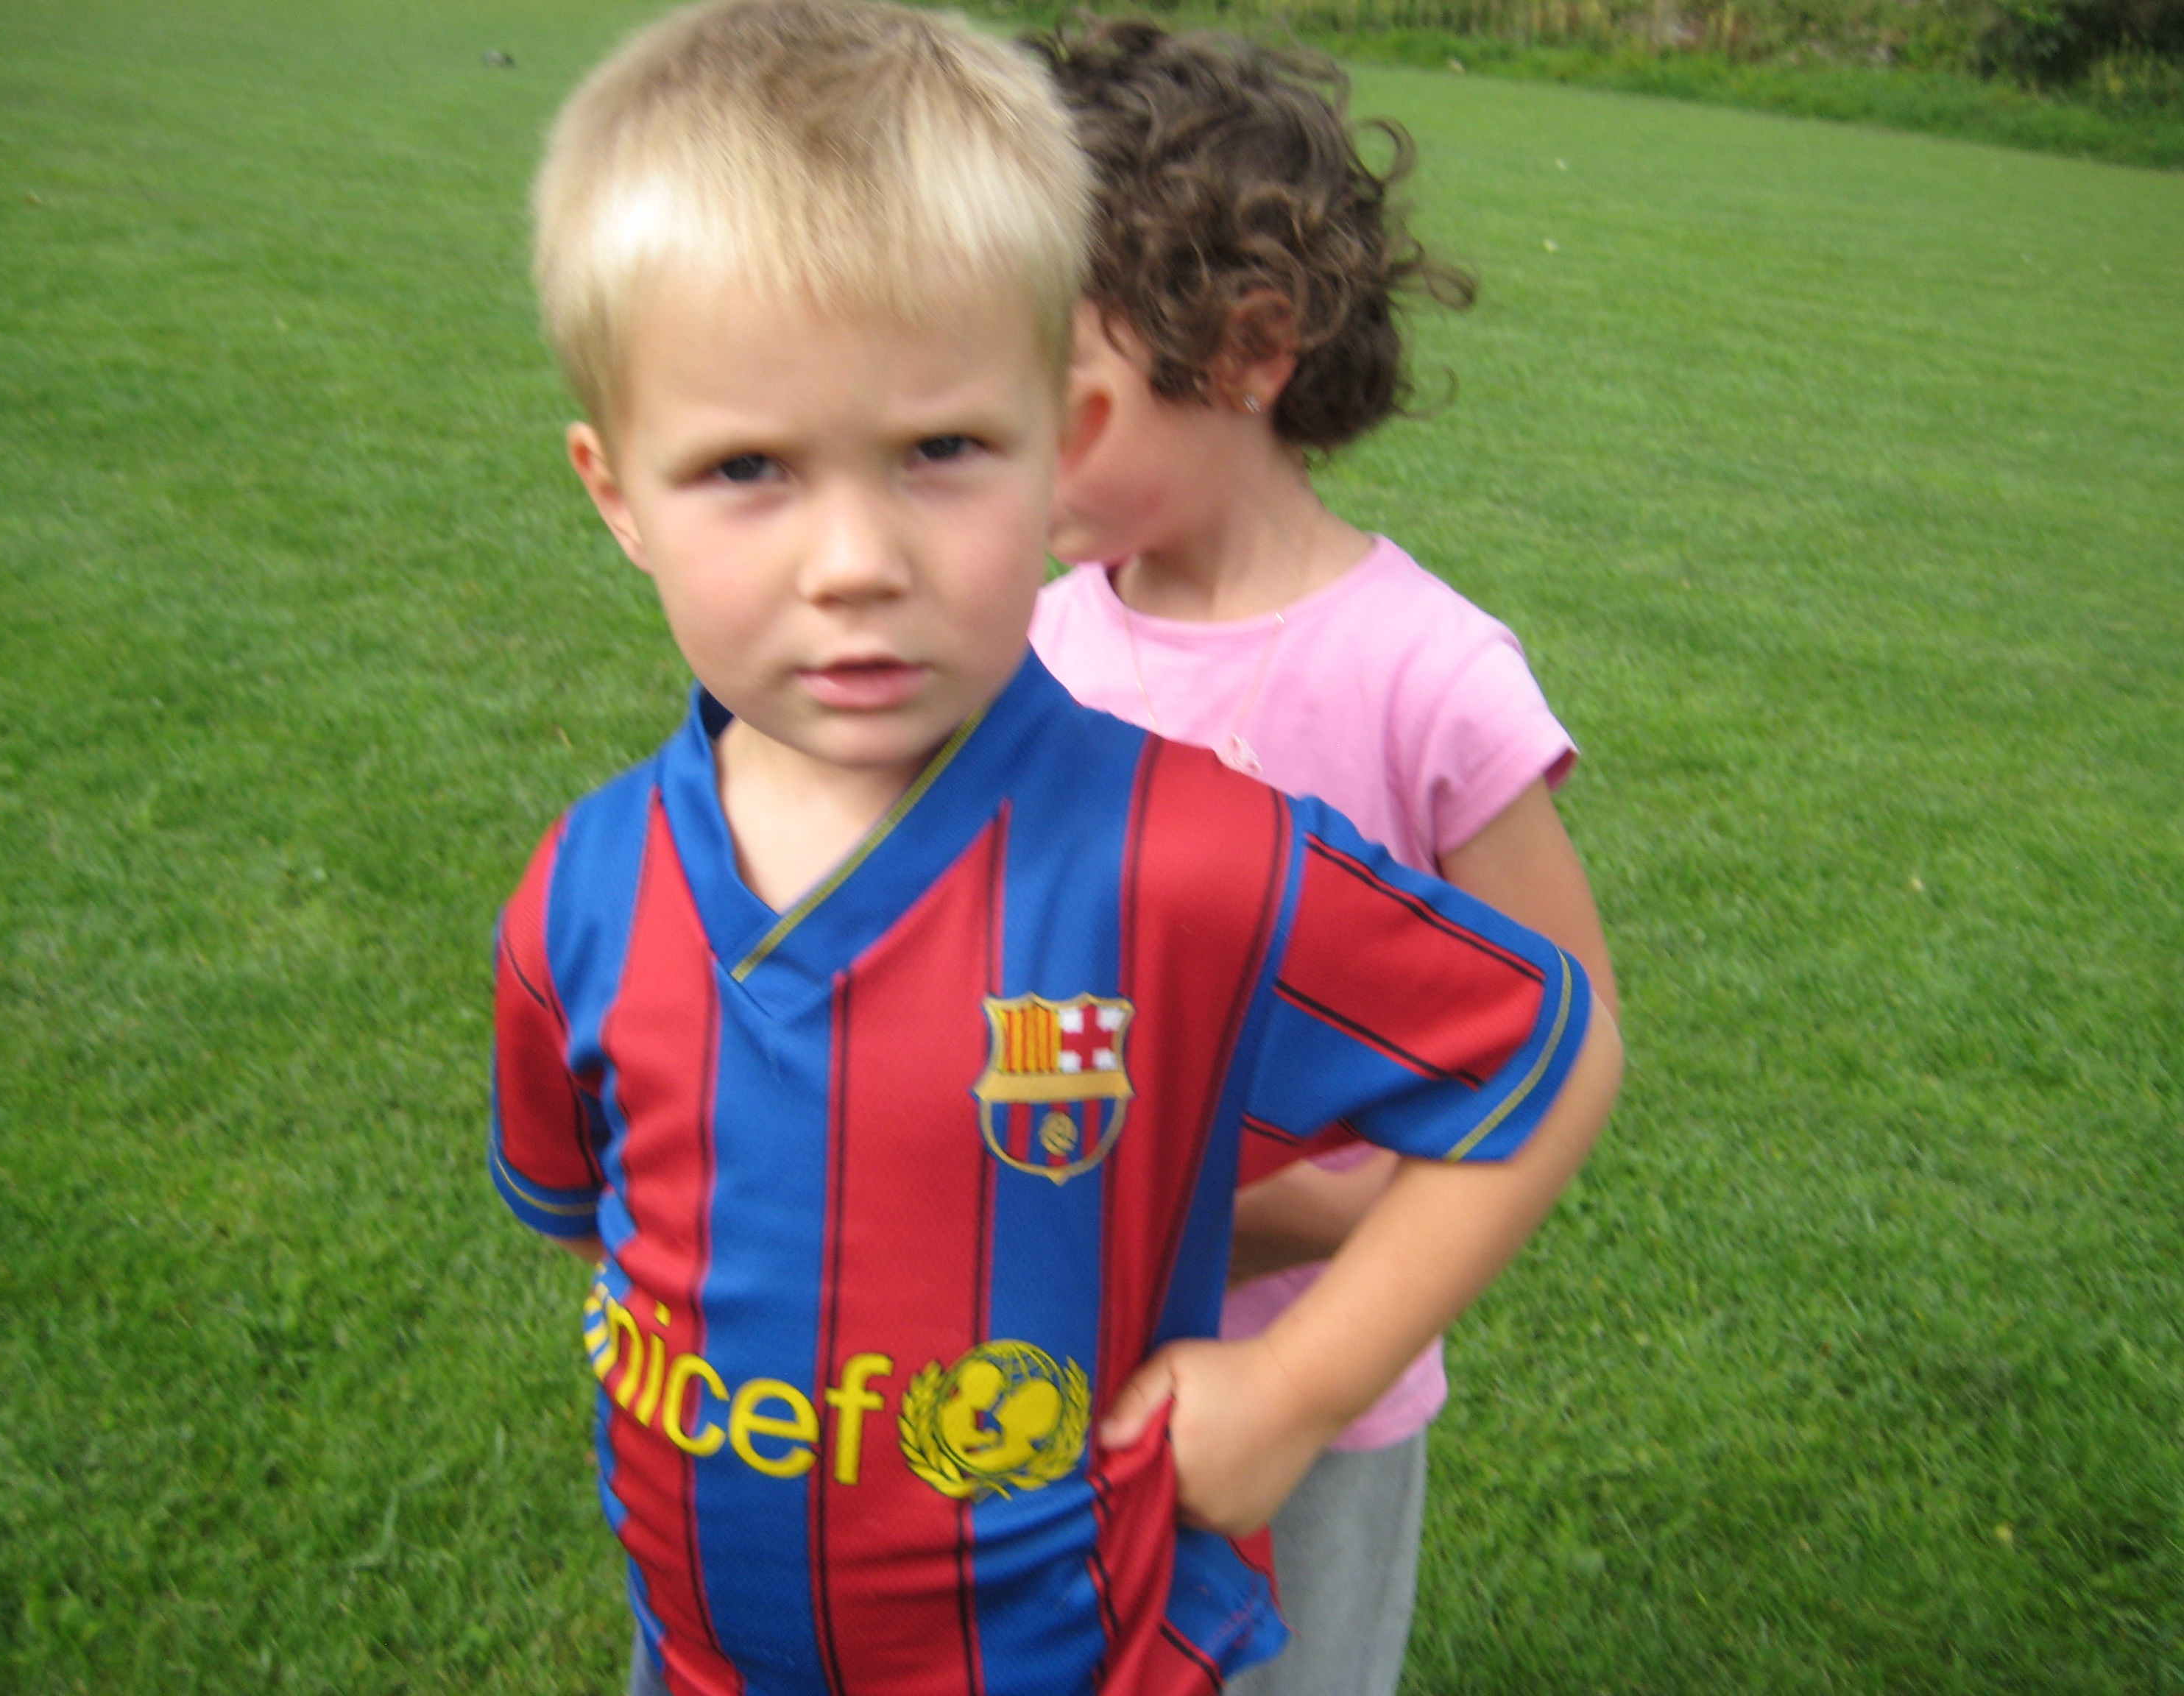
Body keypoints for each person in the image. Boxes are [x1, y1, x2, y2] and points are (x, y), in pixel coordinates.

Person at [487, 4, 1622, 1693]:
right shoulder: (590, 887)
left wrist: (1298, 1370)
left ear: (1062, 436)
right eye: (748, 467)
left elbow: (1548, 1041)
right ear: (616, 492)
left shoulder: (1211, 824)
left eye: (942, 448)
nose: (856, 560)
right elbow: (612, 1221)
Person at [1026, 21, 1621, 1696]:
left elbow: (1566, 1032)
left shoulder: (1427, 679)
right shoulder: (1034, 641)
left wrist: (1300, 1355)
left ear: (1250, 348)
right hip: (1048, 1360)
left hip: (1308, 1404)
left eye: (1034, 376)